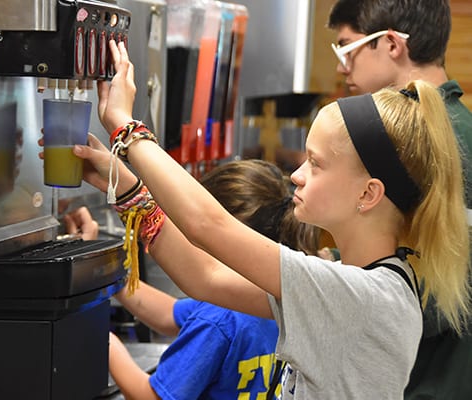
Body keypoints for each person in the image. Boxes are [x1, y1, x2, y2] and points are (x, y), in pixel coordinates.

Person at [75, 41, 471, 399]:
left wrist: (126, 128)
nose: (297, 175)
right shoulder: (360, 284)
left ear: (367, 194)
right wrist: (126, 186)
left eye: (316, 164)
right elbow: (205, 276)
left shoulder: (357, 296)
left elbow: (208, 225)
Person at [327, 1, 472, 398]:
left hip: (430, 378)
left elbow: (440, 285)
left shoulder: (437, 141)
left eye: (347, 48)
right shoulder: (454, 130)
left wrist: (329, 285)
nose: (342, 68)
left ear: (390, 44)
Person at [108, 159, 321, 399]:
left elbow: (153, 397)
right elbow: (169, 314)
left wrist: (105, 344)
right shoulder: (276, 296)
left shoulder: (219, 316)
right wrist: (108, 275)